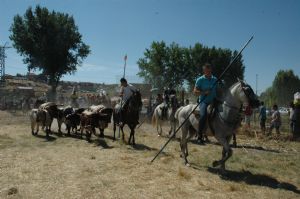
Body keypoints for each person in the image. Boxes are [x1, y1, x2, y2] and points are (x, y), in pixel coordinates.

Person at [194, 63, 218, 144]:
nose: (207, 72)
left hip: (214, 101)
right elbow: (195, 92)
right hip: (204, 101)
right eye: (206, 70)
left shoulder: (215, 79)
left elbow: (219, 90)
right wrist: (204, 92)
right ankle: (199, 136)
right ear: (204, 71)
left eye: (209, 70)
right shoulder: (200, 80)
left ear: (211, 70)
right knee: (203, 115)